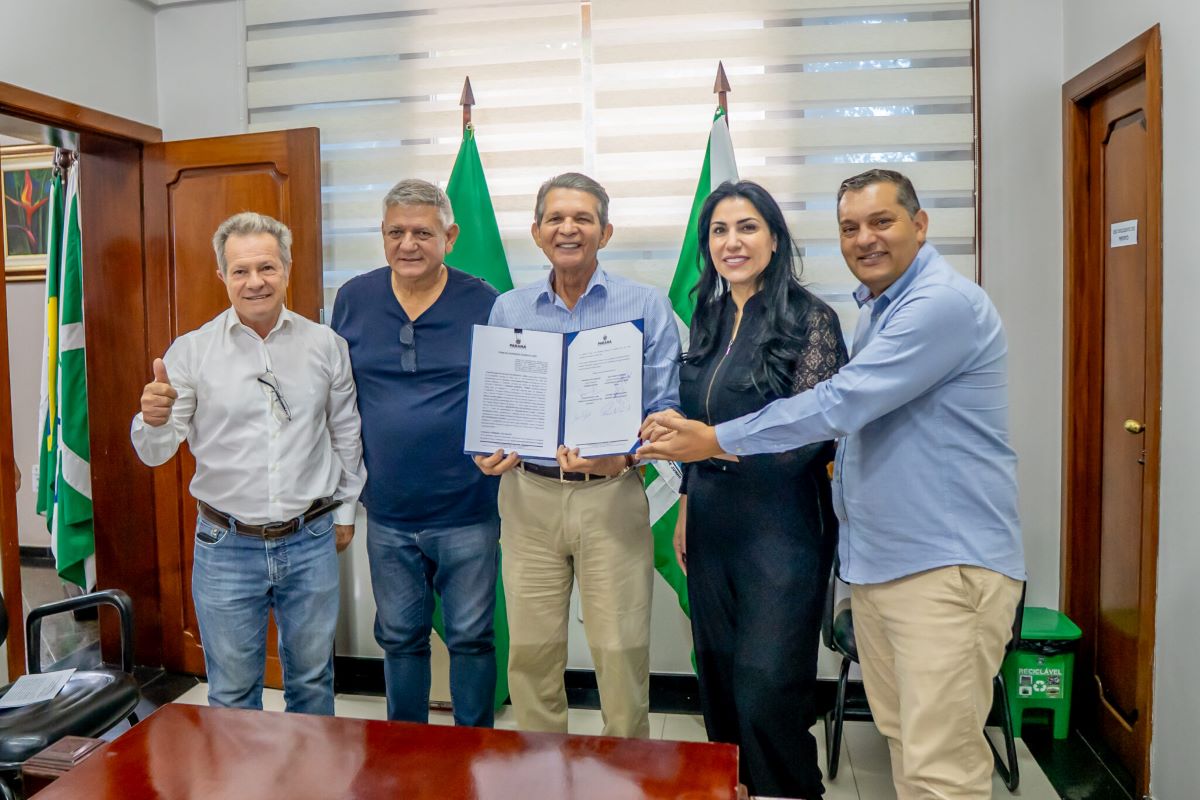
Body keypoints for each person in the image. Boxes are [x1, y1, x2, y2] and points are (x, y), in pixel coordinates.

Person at [639, 169, 1026, 800]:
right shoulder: (874, 310)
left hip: (932, 561)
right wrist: (683, 483)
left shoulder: (934, 306)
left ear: (920, 225)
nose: (864, 239)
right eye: (850, 227)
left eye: (882, 222)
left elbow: (833, 410)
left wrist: (712, 441)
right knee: (903, 743)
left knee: (930, 762)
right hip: (873, 559)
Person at [131, 211, 365, 715]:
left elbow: (346, 433)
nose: (255, 281)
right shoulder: (191, 353)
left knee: (312, 684)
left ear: (287, 269)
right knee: (233, 695)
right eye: (240, 271)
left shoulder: (326, 345)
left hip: (310, 540)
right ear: (222, 275)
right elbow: (156, 451)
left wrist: (346, 512)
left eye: (267, 267)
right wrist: (152, 420)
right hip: (226, 546)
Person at [473, 172, 681, 738]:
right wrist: (489, 451)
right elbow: (497, 405)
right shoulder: (509, 309)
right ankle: (543, 771)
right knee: (532, 653)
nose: (569, 229)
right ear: (537, 232)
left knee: (620, 650)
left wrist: (627, 459)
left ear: (605, 232)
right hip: (527, 497)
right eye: (556, 219)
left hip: (611, 495)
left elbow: (666, 411)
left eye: (583, 218)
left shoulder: (646, 304)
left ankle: (626, 770)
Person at [668, 181, 845, 798]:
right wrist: (686, 502)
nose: (732, 242)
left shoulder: (811, 319)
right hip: (711, 520)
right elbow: (696, 421)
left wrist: (711, 445)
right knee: (718, 677)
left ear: (774, 238)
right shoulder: (709, 315)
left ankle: (789, 791)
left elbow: (811, 437)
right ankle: (735, 788)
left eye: (747, 227)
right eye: (719, 230)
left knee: (769, 685)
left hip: (782, 524)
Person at [331, 179, 500, 727]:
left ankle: (474, 748)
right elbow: (334, 396)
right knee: (400, 637)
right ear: (382, 235)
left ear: (450, 236)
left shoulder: (486, 301)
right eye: (396, 232)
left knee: (472, 637)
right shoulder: (354, 298)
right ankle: (404, 751)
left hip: (468, 509)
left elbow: (513, 390)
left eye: (423, 233)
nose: (408, 244)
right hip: (388, 512)